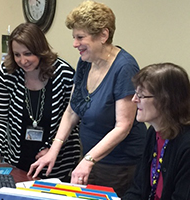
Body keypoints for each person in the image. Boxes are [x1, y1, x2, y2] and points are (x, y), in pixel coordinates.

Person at [28, 1, 147, 197]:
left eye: (80, 37)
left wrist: (88, 160)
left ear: (103, 35)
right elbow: (72, 109)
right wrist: (53, 151)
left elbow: (123, 126)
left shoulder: (125, 68)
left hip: (120, 164)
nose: (75, 44)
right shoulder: (86, 61)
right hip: (92, 158)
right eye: (74, 37)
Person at [0, 22, 81, 182]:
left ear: (40, 50)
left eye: (28, 53)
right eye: (17, 54)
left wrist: (53, 147)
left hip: (58, 163)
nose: (23, 60)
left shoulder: (64, 75)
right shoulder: (7, 73)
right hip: (17, 160)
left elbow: (74, 120)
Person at [122, 63, 190, 200]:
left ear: (166, 100)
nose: (134, 99)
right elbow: (138, 188)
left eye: (141, 95)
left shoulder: (186, 146)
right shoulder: (153, 132)